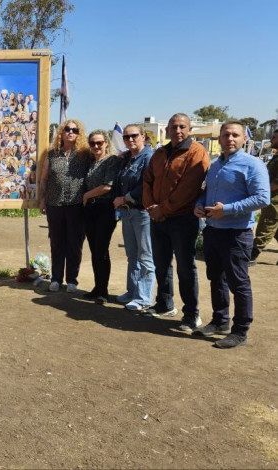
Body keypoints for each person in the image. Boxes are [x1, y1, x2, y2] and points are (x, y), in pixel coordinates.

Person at [193, 121, 270, 348]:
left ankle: (240, 331)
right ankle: (220, 321)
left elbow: (262, 198)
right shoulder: (215, 165)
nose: (230, 139)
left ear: (244, 138)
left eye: (235, 135)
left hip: (237, 234)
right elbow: (206, 192)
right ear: (219, 138)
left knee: (239, 283)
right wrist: (199, 205)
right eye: (226, 134)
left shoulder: (253, 165)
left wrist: (225, 210)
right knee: (216, 279)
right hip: (213, 231)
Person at [143, 113, 210, 331]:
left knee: (185, 268)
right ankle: (164, 304)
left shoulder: (196, 152)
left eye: (182, 126)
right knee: (161, 264)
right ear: (167, 130)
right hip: (158, 218)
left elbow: (189, 188)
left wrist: (162, 209)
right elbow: (147, 180)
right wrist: (151, 207)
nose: (178, 130)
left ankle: (191, 314)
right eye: (173, 127)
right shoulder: (160, 153)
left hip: (183, 218)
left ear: (189, 129)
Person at [39, 120, 90, 293]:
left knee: (74, 244)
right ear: (61, 132)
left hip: (77, 206)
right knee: (57, 242)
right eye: (67, 129)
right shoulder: (52, 154)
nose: (70, 132)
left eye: (75, 130)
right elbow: (44, 178)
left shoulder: (85, 154)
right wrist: (42, 199)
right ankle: (56, 279)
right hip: (55, 204)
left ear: (79, 134)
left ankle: (72, 280)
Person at [113, 124, 155, 312]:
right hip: (128, 212)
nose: (130, 139)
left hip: (143, 212)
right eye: (126, 137)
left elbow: (148, 184)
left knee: (145, 257)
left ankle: (144, 297)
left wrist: (125, 198)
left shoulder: (149, 157)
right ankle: (133, 292)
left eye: (134, 136)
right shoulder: (128, 158)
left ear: (143, 136)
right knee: (132, 256)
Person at [81, 130, 122, 304]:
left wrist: (87, 195)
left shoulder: (111, 161)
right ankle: (97, 287)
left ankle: (103, 291)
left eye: (99, 143)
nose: (96, 146)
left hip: (105, 208)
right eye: (92, 143)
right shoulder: (91, 163)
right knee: (94, 250)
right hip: (91, 209)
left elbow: (108, 186)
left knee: (101, 250)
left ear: (106, 142)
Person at [249, 128, 278, 265]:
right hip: (272, 198)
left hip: (274, 200)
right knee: (275, 229)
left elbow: (276, 184)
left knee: (266, 226)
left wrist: (259, 189)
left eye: (274, 138)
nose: (271, 140)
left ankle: (252, 255)